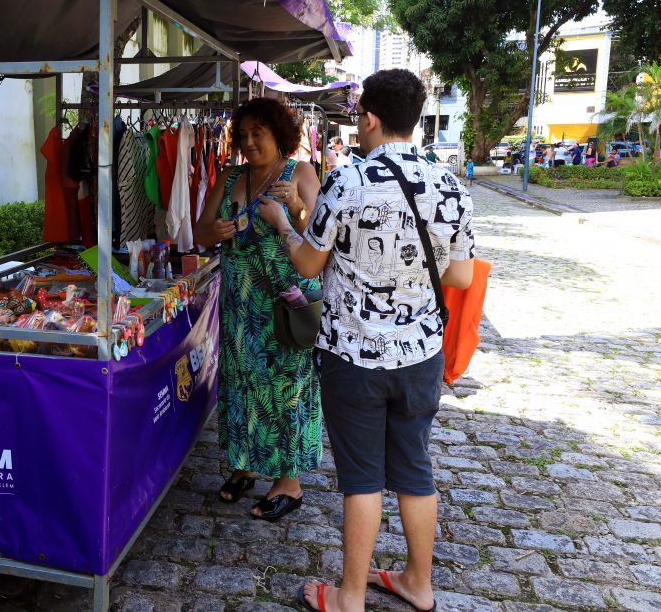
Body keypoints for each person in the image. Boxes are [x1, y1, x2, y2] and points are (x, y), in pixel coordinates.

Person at [257, 69, 474, 612]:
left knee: (362, 480)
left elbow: (308, 261)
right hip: (421, 353)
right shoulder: (449, 183)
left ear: (370, 119)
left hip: (353, 356)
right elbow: (462, 277)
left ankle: (350, 597)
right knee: (415, 471)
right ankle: (418, 584)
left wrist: (285, 225)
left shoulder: (346, 182)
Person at [194, 97, 323, 521]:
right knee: (241, 381)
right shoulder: (231, 175)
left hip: (284, 302)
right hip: (239, 302)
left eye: (258, 134)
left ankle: (289, 483)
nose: (249, 143)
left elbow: (320, 238)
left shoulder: (300, 171)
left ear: (279, 135)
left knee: (285, 390)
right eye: (243, 135)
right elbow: (199, 230)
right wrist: (213, 229)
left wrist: (297, 209)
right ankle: (245, 464)